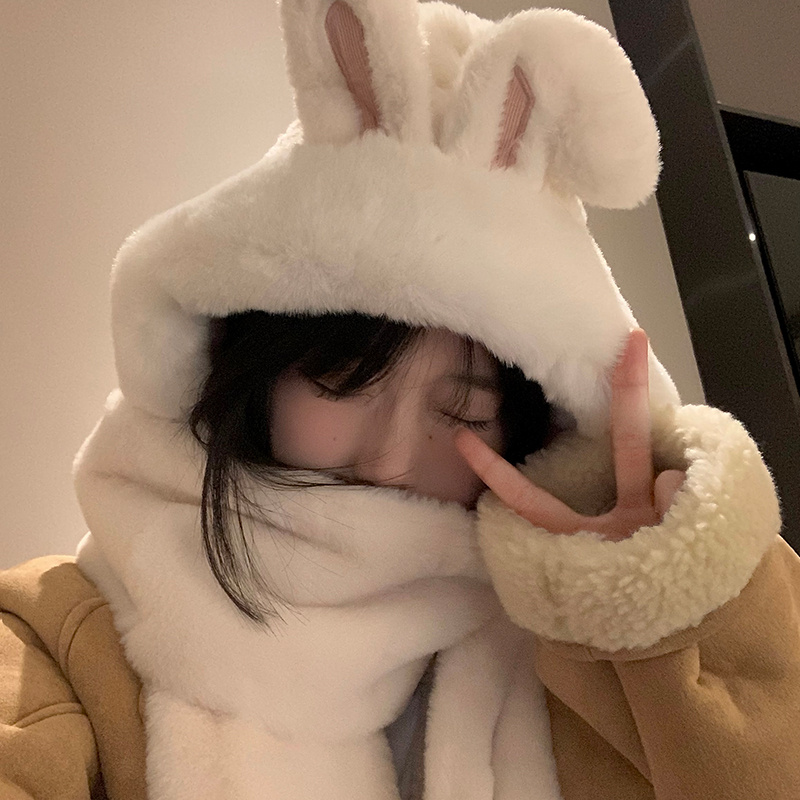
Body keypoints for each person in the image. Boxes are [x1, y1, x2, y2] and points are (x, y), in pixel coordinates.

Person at [2, 1, 799, 799]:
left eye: (462, 414)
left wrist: (656, 610)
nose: (387, 459)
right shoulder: (60, 635)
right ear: (248, 370)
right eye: (343, 383)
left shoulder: (579, 672)